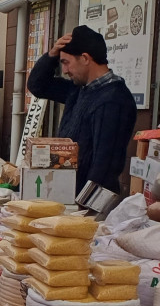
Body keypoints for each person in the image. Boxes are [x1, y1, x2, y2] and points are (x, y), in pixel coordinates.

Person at [27, 25, 137, 193]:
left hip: (84, 203)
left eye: (66, 63)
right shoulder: (79, 88)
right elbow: (38, 86)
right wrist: (51, 55)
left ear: (85, 58)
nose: (64, 71)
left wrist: (85, 208)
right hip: (66, 191)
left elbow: (105, 167)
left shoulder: (113, 100)